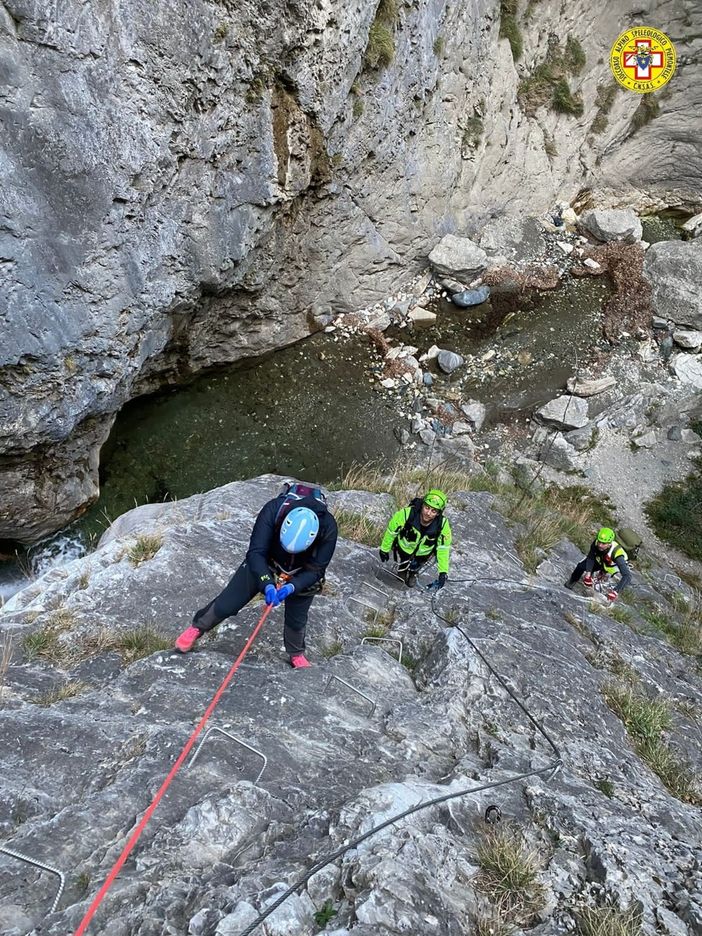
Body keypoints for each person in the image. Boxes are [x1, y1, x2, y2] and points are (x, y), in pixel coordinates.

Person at [175, 483, 338, 668]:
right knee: (230, 600)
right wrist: (266, 583)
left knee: (297, 617)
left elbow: (316, 569)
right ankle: (198, 627)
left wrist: (293, 586)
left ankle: (296, 653)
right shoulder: (273, 510)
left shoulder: (328, 528)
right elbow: (256, 553)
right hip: (268, 559)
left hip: (303, 569)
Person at [378, 489, 452, 590]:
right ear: (422, 505)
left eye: (433, 511)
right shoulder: (407, 514)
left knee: (416, 565)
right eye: (427, 508)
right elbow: (392, 531)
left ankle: (413, 573)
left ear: (438, 513)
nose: (428, 513)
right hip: (405, 547)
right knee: (404, 562)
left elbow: (443, 549)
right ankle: (402, 572)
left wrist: (443, 572)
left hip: (424, 553)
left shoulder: (442, 525)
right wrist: (384, 549)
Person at [565, 526, 632, 601]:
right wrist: (588, 574)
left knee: (602, 587)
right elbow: (590, 557)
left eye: (603, 543)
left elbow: (627, 576)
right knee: (580, 566)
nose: (600, 545)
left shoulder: (617, 554)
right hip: (602, 561)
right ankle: (570, 583)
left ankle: (602, 597)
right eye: (599, 542)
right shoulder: (596, 543)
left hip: (612, 568)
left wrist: (616, 591)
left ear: (609, 544)